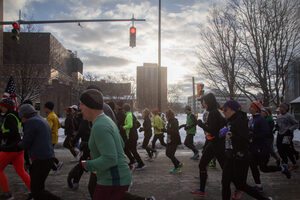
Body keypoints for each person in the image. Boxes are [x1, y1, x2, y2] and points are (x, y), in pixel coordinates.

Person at [79, 89, 131, 200]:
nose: (79, 108)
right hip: (117, 178)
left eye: (81, 104)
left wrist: (87, 164)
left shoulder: (100, 126)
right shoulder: (106, 120)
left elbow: (110, 159)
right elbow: (121, 144)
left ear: (89, 105)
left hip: (112, 181)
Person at [221, 100, 272, 200]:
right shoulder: (230, 120)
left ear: (232, 110)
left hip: (240, 156)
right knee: (225, 182)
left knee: (241, 185)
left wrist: (231, 135)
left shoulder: (240, 120)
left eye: (225, 109)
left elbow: (245, 140)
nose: (224, 112)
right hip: (230, 156)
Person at [18, 104, 62, 200]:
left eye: (21, 118)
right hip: (47, 158)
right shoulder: (40, 119)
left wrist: (14, 145)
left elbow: (26, 143)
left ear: (25, 116)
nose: (21, 120)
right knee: (38, 187)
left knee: (37, 190)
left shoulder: (31, 122)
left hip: (41, 159)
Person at [248, 101, 290, 193]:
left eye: (251, 107)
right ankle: (258, 186)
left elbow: (266, 133)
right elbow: (252, 130)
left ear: (256, 109)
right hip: (254, 148)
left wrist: (253, 137)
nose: (249, 108)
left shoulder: (261, 119)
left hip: (262, 148)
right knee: (253, 166)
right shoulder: (253, 119)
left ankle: (282, 168)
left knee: (263, 168)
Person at [191, 93, 226, 197]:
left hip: (217, 144)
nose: (203, 103)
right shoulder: (214, 112)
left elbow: (213, 131)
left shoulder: (214, 113)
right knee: (202, 164)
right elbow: (214, 128)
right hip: (213, 143)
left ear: (208, 102)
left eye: (204, 101)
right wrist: (201, 124)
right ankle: (202, 190)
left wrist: (201, 124)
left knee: (225, 168)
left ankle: (240, 186)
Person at [0, 97, 31, 200]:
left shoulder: (9, 117)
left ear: (7, 107)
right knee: (21, 171)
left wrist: (3, 134)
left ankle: (6, 193)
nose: (1, 108)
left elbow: (12, 132)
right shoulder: (16, 115)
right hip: (18, 148)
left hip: (11, 148)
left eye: (2, 106)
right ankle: (35, 191)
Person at [123, 103, 146, 170]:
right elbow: (138, 123)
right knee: (126, 148)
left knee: (133, 150)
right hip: (133, 135)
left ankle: (141, 164)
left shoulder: (128, 115)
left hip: (131, 136)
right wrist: (134, 129)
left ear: (124, 110)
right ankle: (133, 160)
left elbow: (130, 125)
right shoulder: (132, 115)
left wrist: (123, 127)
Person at [277, 103, 299, 170]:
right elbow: (279, 124)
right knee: (280, 149)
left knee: (287, 149)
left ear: (285, 108)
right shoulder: (279, 116)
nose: (280, 109)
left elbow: (296, 124)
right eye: (280, 107)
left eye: (281, 107)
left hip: (287, 135)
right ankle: (285, 163)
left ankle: (294, 163)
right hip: (280, 133)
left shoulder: (289, 116)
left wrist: (290, 129)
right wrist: (277, 126)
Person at [44, 101, 63, 174]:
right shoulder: (54, 115)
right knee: (50, 153)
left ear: (47, 108)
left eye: (45, 108)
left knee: (47, 154)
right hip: (55, 137)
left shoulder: (50, 116)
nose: (44, 109)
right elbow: (59, 126)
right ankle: (57, 163)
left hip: (50, 138)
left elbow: (47, 127)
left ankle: (54, 169)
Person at [163, 109, 183, 174]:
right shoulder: (170, 121)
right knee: (168, 153)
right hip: (170, 140)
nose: (166, 117)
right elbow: (169, 130)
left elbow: (174, 132)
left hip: (174, 140)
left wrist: (165, 130)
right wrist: (165, 129)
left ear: (169, 115)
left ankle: (177, 167)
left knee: (170, 154)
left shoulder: (174, 121)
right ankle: (178, 164)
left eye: (166, 116)